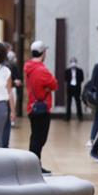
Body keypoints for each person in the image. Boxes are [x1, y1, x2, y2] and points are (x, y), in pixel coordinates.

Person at [24, 40, 58, 174]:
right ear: (43, 53)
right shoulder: (41, 70)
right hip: (41, 107)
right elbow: (54, 84)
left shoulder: (29, 66)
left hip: (32, 106)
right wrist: (47, 88)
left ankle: (34, 165)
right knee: (39, 139)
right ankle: (34, 167)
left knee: (35, 137)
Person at [64, 58, 84, 122]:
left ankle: (80, 116)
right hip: (70, 88)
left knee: (78, 102)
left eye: (74, 62)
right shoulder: (67, 71)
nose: (73, 63)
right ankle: (68, 117)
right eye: (72, 62)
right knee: (68, 102)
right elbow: (65, 79)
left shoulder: (80, 70)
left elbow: (82, 79)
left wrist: (76, 80)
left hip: (77, 87)